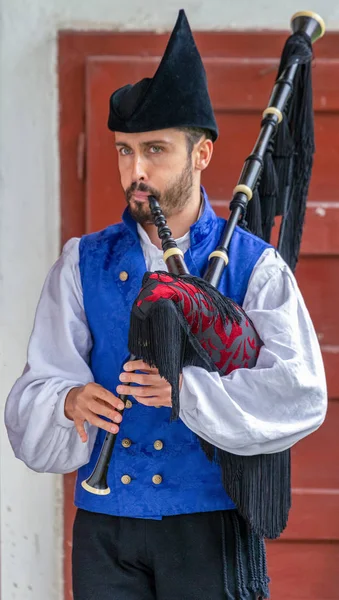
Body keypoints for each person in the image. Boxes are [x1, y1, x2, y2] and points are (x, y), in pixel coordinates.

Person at [5, 9, 327, 600]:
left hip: (208, 527)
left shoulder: (255, 268)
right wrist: (70, 400)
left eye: (155, 149)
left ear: (202, 154)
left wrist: (189, 391)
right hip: (107, 527)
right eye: (125, 151)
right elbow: (37, 385)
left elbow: (300, 394)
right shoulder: (83, 262)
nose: (137, 170)